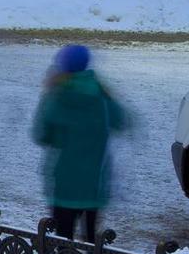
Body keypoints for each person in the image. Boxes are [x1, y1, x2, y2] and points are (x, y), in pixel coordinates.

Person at [30, 43, 127, 242]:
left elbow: (40, 135)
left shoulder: (55, 96)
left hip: (63, 183)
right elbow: (122, 121)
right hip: (94, 182)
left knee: (64, 240)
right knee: (92, 240)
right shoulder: (100, 94)